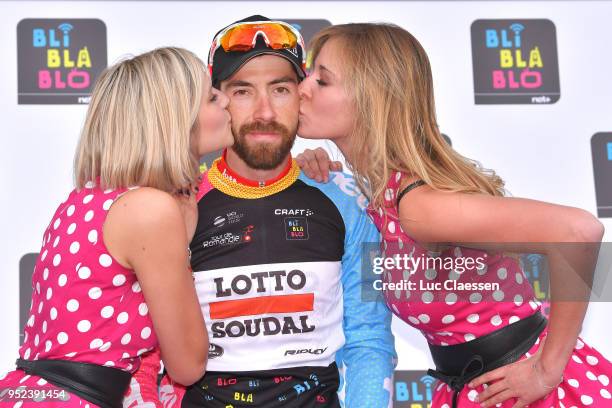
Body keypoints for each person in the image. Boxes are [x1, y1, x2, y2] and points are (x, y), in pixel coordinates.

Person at [296, 23, 611, 408]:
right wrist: (322, 174)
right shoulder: (387, 193)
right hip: (477, 387)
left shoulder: (419, 205)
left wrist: (548, 368)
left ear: (371, 98)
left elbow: (579, 231)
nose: (302, 87)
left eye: (322, 81)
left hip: (524, 390)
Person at [155, 15, 396, 408]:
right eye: (243, 92)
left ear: (302, 97)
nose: (264, 112)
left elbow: (370, 340)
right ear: (217, 100)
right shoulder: (174, 203)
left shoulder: (350, 201)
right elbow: (142, 347)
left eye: (280, 89)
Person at [0, 47, 233, 407]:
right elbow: (188, 365)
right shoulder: (150, 210)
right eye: (211, 97)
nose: (227, 103)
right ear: (172, 118)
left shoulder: (85, 199)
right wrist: (184, 247)